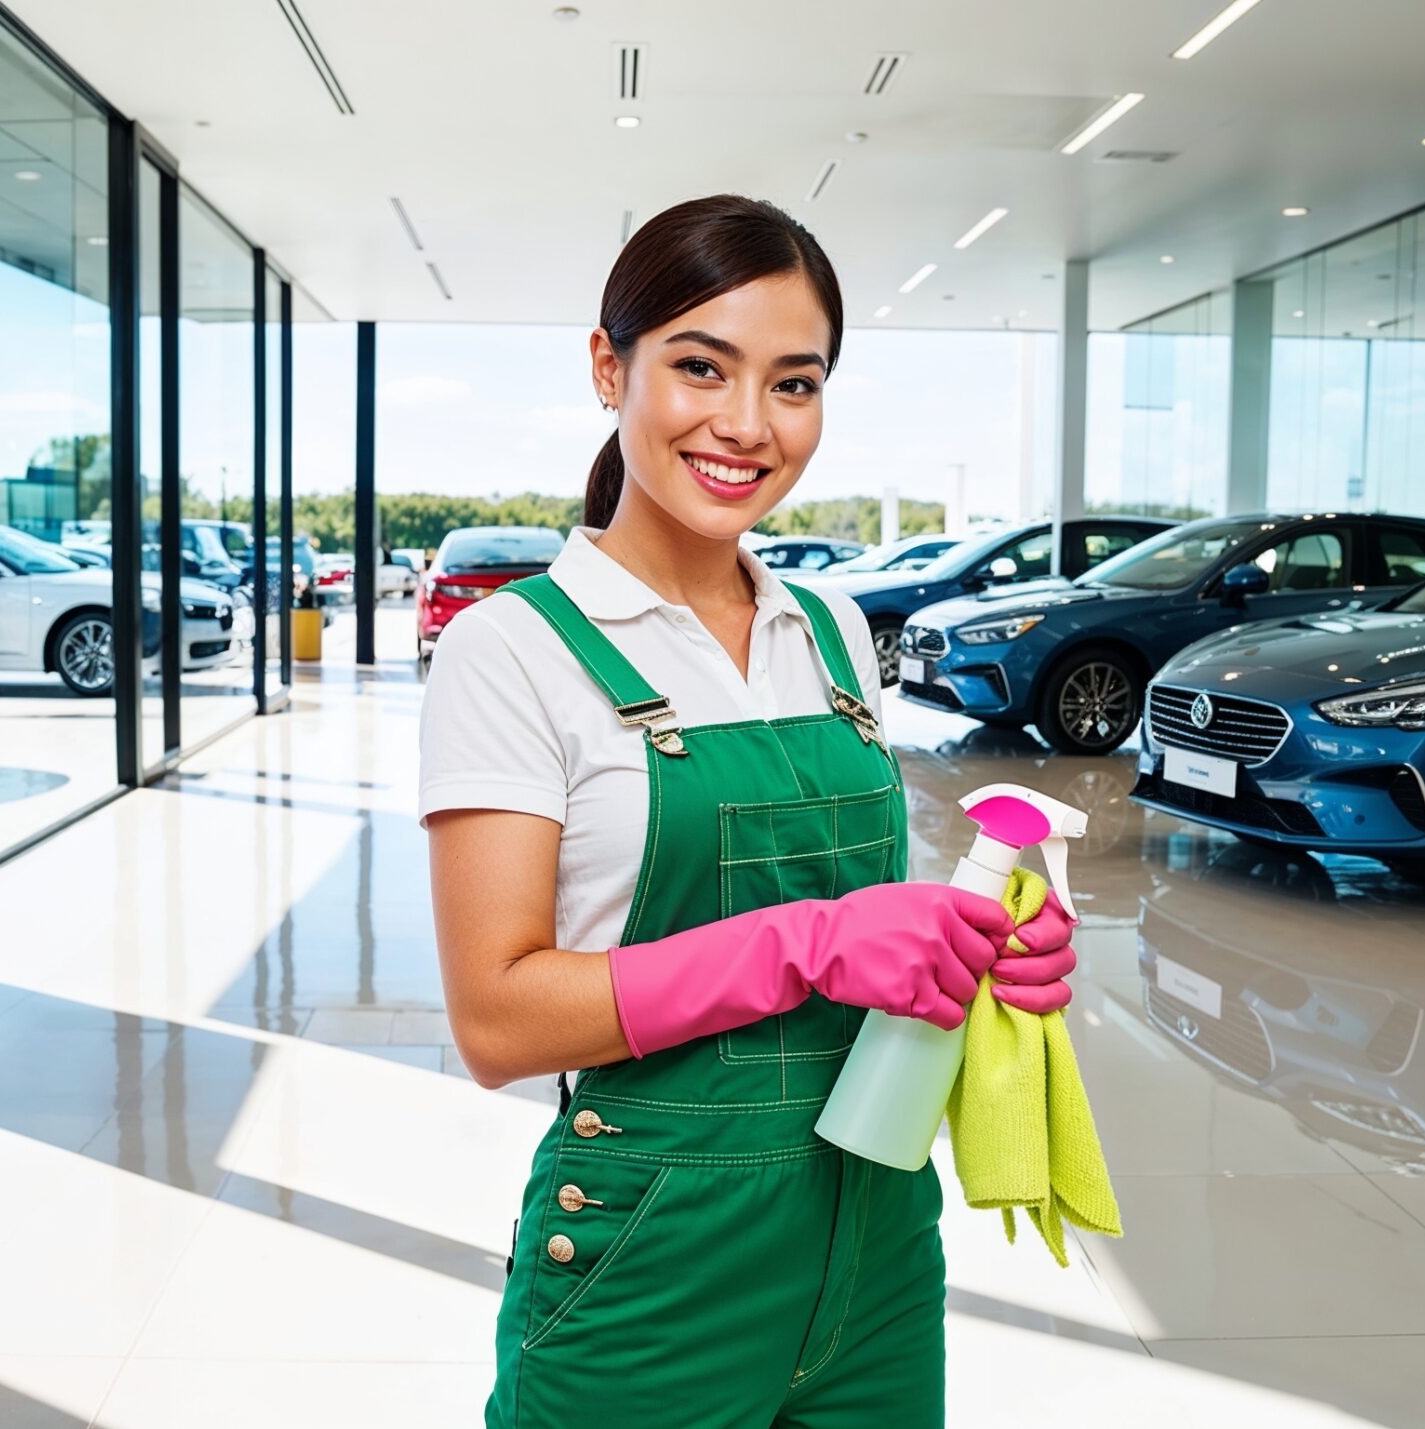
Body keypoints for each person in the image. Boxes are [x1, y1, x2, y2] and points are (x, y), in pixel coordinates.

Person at [420, 194, 1077, 1428]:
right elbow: (498, 1018)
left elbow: (871, 918)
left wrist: (976, 941)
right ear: (610, 368)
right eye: (699, 367)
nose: (745, 425)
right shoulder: (512, 652)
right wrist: (812, 945)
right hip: (654, 1258)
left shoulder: (829, 632)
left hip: (877, 1237)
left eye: (793, 383)